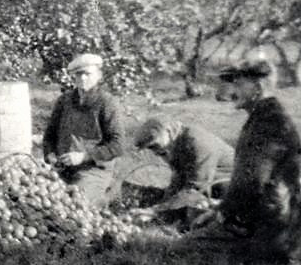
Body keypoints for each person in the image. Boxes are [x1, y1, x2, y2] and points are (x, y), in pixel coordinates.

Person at [206, 60, 301, 263]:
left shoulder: (268, 123)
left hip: (272, 229)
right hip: (274, 221)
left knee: (181, 247)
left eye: (239, 85)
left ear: (257, 88)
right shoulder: (266, 116)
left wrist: (221, 214)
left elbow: (251, 182)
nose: (233, 91)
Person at [42, 53, 124, 207]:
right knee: (42, 196)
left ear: (99, 76)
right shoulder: (64, 101)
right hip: (63, 169)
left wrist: (84, 156)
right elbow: (49, 135)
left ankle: (108, 196)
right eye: (78, 74)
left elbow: (117, 145)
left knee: (76, 203)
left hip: (92, 170)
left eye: (87, 74)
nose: (82, 79)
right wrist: (50, 155)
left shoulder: (107, 103)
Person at [133, 117, 234, 225]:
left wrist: (154, 211)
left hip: (230, 189)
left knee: (192, 214)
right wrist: (161, 205)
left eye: (154, 146)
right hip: (208, 185)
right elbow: (178, 181)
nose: (156, 152)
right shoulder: (175, 143)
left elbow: (195, 188)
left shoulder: (197, 143)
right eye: (150, 149)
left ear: (168, 131)